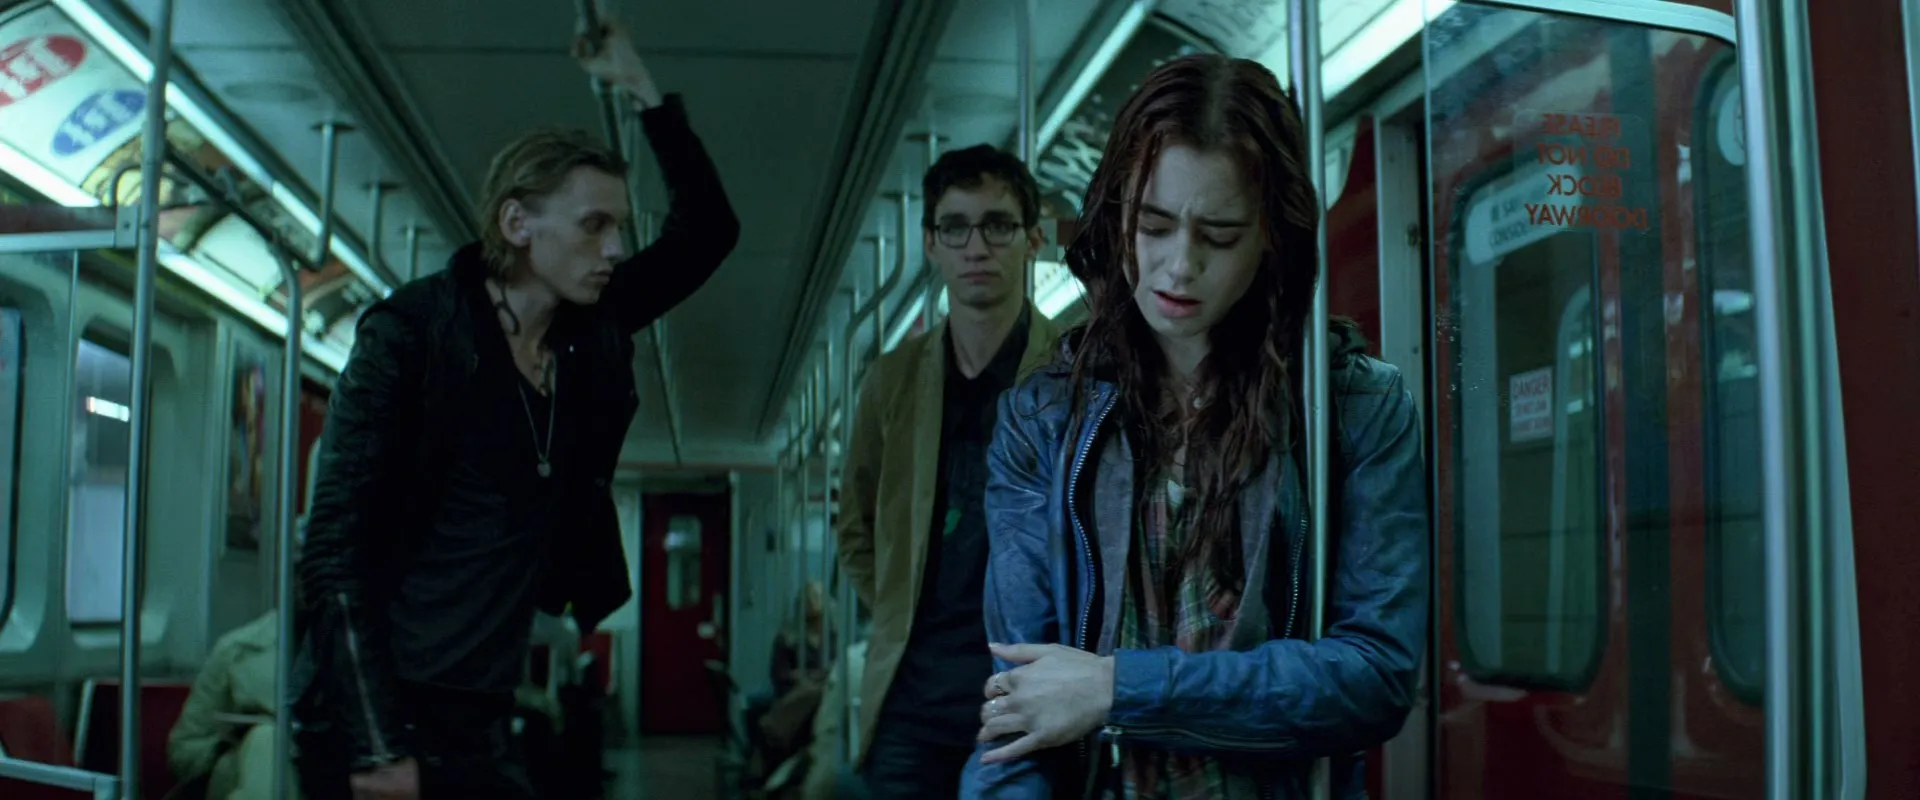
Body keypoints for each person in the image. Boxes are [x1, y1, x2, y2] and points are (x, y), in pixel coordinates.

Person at [289, 7, 740, 798]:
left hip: (482, 706)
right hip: (376, 713)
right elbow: (332, 550)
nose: (615, 249)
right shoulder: (411, 336)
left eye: (620, 228)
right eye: (594, 225)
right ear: (517, 223)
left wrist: (641, 89)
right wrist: (378, 745)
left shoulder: (590, 332)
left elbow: (708, 232)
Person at [961, 54, 1429, 798]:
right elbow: (1023, 702)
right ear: (1117, 218)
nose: (1179, 266)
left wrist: (1119, 689)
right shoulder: (1043, 419)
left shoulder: (1357, 409)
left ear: (1270, 238)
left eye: (1219, 235)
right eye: (1154, 226)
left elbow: (1375, 676)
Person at [835, 143, 1065, 796]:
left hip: (1023, 693)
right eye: (956, 227)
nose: (976, 247)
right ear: (931, 243)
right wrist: (894, 610)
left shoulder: (1072, 372)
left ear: (1033, 240)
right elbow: (855, 522)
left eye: (998, 225)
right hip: (911, 697)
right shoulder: (893, 380)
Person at [168, 610, 296, 800]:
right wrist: (233, 741)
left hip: (329, 767)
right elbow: (185, 751)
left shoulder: (342, 648)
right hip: (253, 768)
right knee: (267, 742)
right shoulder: (237, 649)